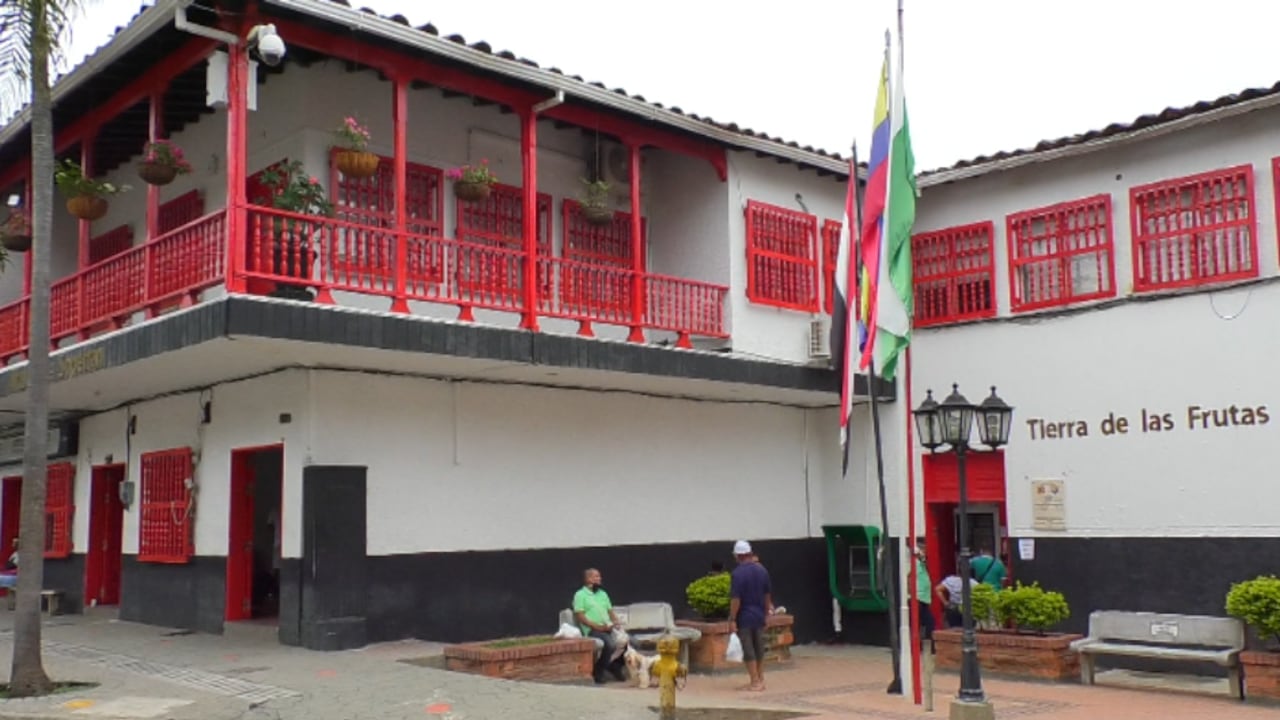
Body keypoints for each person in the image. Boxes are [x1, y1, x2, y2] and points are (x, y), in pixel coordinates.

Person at [729, 540, 773, 692]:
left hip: (745, 616)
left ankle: (755, 681)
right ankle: (760, 678)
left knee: (748, 649)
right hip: (760, 614)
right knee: (759, 647)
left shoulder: (737, 574)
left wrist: (732, 618)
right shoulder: (762, 571)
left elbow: (736, 600)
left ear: (738, 556)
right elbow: (767, 595)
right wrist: (767, 614)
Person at [572, 568, 627, 684]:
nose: (599, 579)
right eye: (596, 577)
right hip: (593, 629)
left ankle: (614, 666)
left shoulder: (603, 594)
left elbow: (610, 612)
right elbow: (581, 617)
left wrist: (616, 623)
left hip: (608, 627)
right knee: (610, 644)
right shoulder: (580, 595)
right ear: (588, 579)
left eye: (599, 576)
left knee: (630, 642)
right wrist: (599, 627)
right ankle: (598, 671)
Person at [913, 538, 935, 642]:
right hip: (918, 595)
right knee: (919, 620)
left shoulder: (921, 563)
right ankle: (920, 641)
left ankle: (928, 639)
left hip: (923, 596)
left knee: (926, 619)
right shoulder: (915, 563)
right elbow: (909, 576)